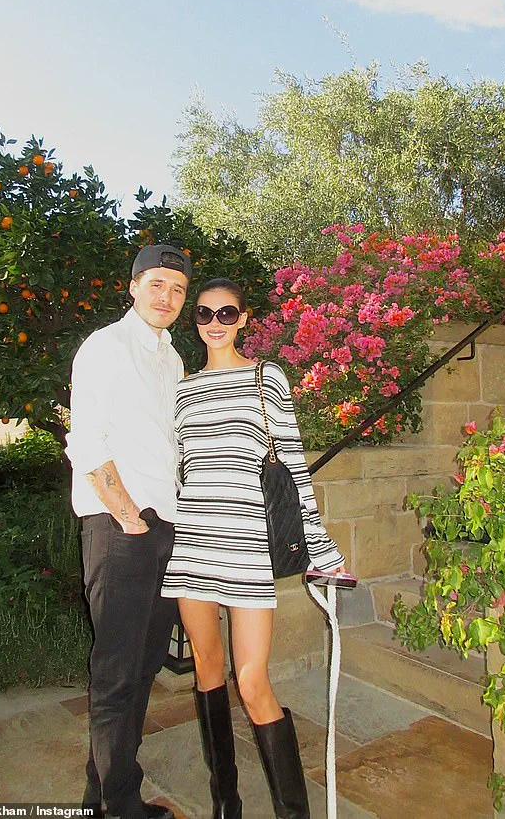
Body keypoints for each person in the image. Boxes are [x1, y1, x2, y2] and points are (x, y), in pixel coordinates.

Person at [161, 278, 347, 819]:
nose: (214, 323)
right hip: (194, 543)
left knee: (252, 681)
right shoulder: (183, 389)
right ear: (194, 320)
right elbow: (178, 469)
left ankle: (294, 812)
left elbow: (292, 468)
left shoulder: (267, 378)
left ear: (243, 319)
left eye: (226, 313)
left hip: (247, 548)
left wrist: (320, 546)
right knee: (206, 668)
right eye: (204, 314)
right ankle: (226, 802)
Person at [65, 244, 192, 819]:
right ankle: (120, 806)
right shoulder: (106, 346)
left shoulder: (172, 359)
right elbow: (87, 440)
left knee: (142, 668)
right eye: (157, 284)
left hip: (164, 527)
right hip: (121, 527)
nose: (167, 297)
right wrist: (127, 515)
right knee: (116, 673)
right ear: (134, 285)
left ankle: (103, 795)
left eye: (177, 289)